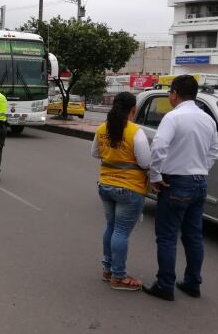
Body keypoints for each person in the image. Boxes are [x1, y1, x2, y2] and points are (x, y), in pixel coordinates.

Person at [143, 75, 218, 301]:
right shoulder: (208, 119)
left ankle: (165, 285)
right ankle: (193, 283)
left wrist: (155, 176)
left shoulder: (173, 117)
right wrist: (199, 169)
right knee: (193, 235)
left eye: (170, 93)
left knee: (167, 236)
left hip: (175, 182)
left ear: (174, 94)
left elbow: (158, 147)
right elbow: (214, 151)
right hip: (199, 182)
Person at [91, 92, 151, 291]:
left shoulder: (102, 128)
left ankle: (108, 269)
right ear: (133, 109)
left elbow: (95, 153)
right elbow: (145, 162)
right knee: (121, 231)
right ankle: (119, 276)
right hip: (129, 188)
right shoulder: (135, 132)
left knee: (111, 227)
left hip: (105, 185)